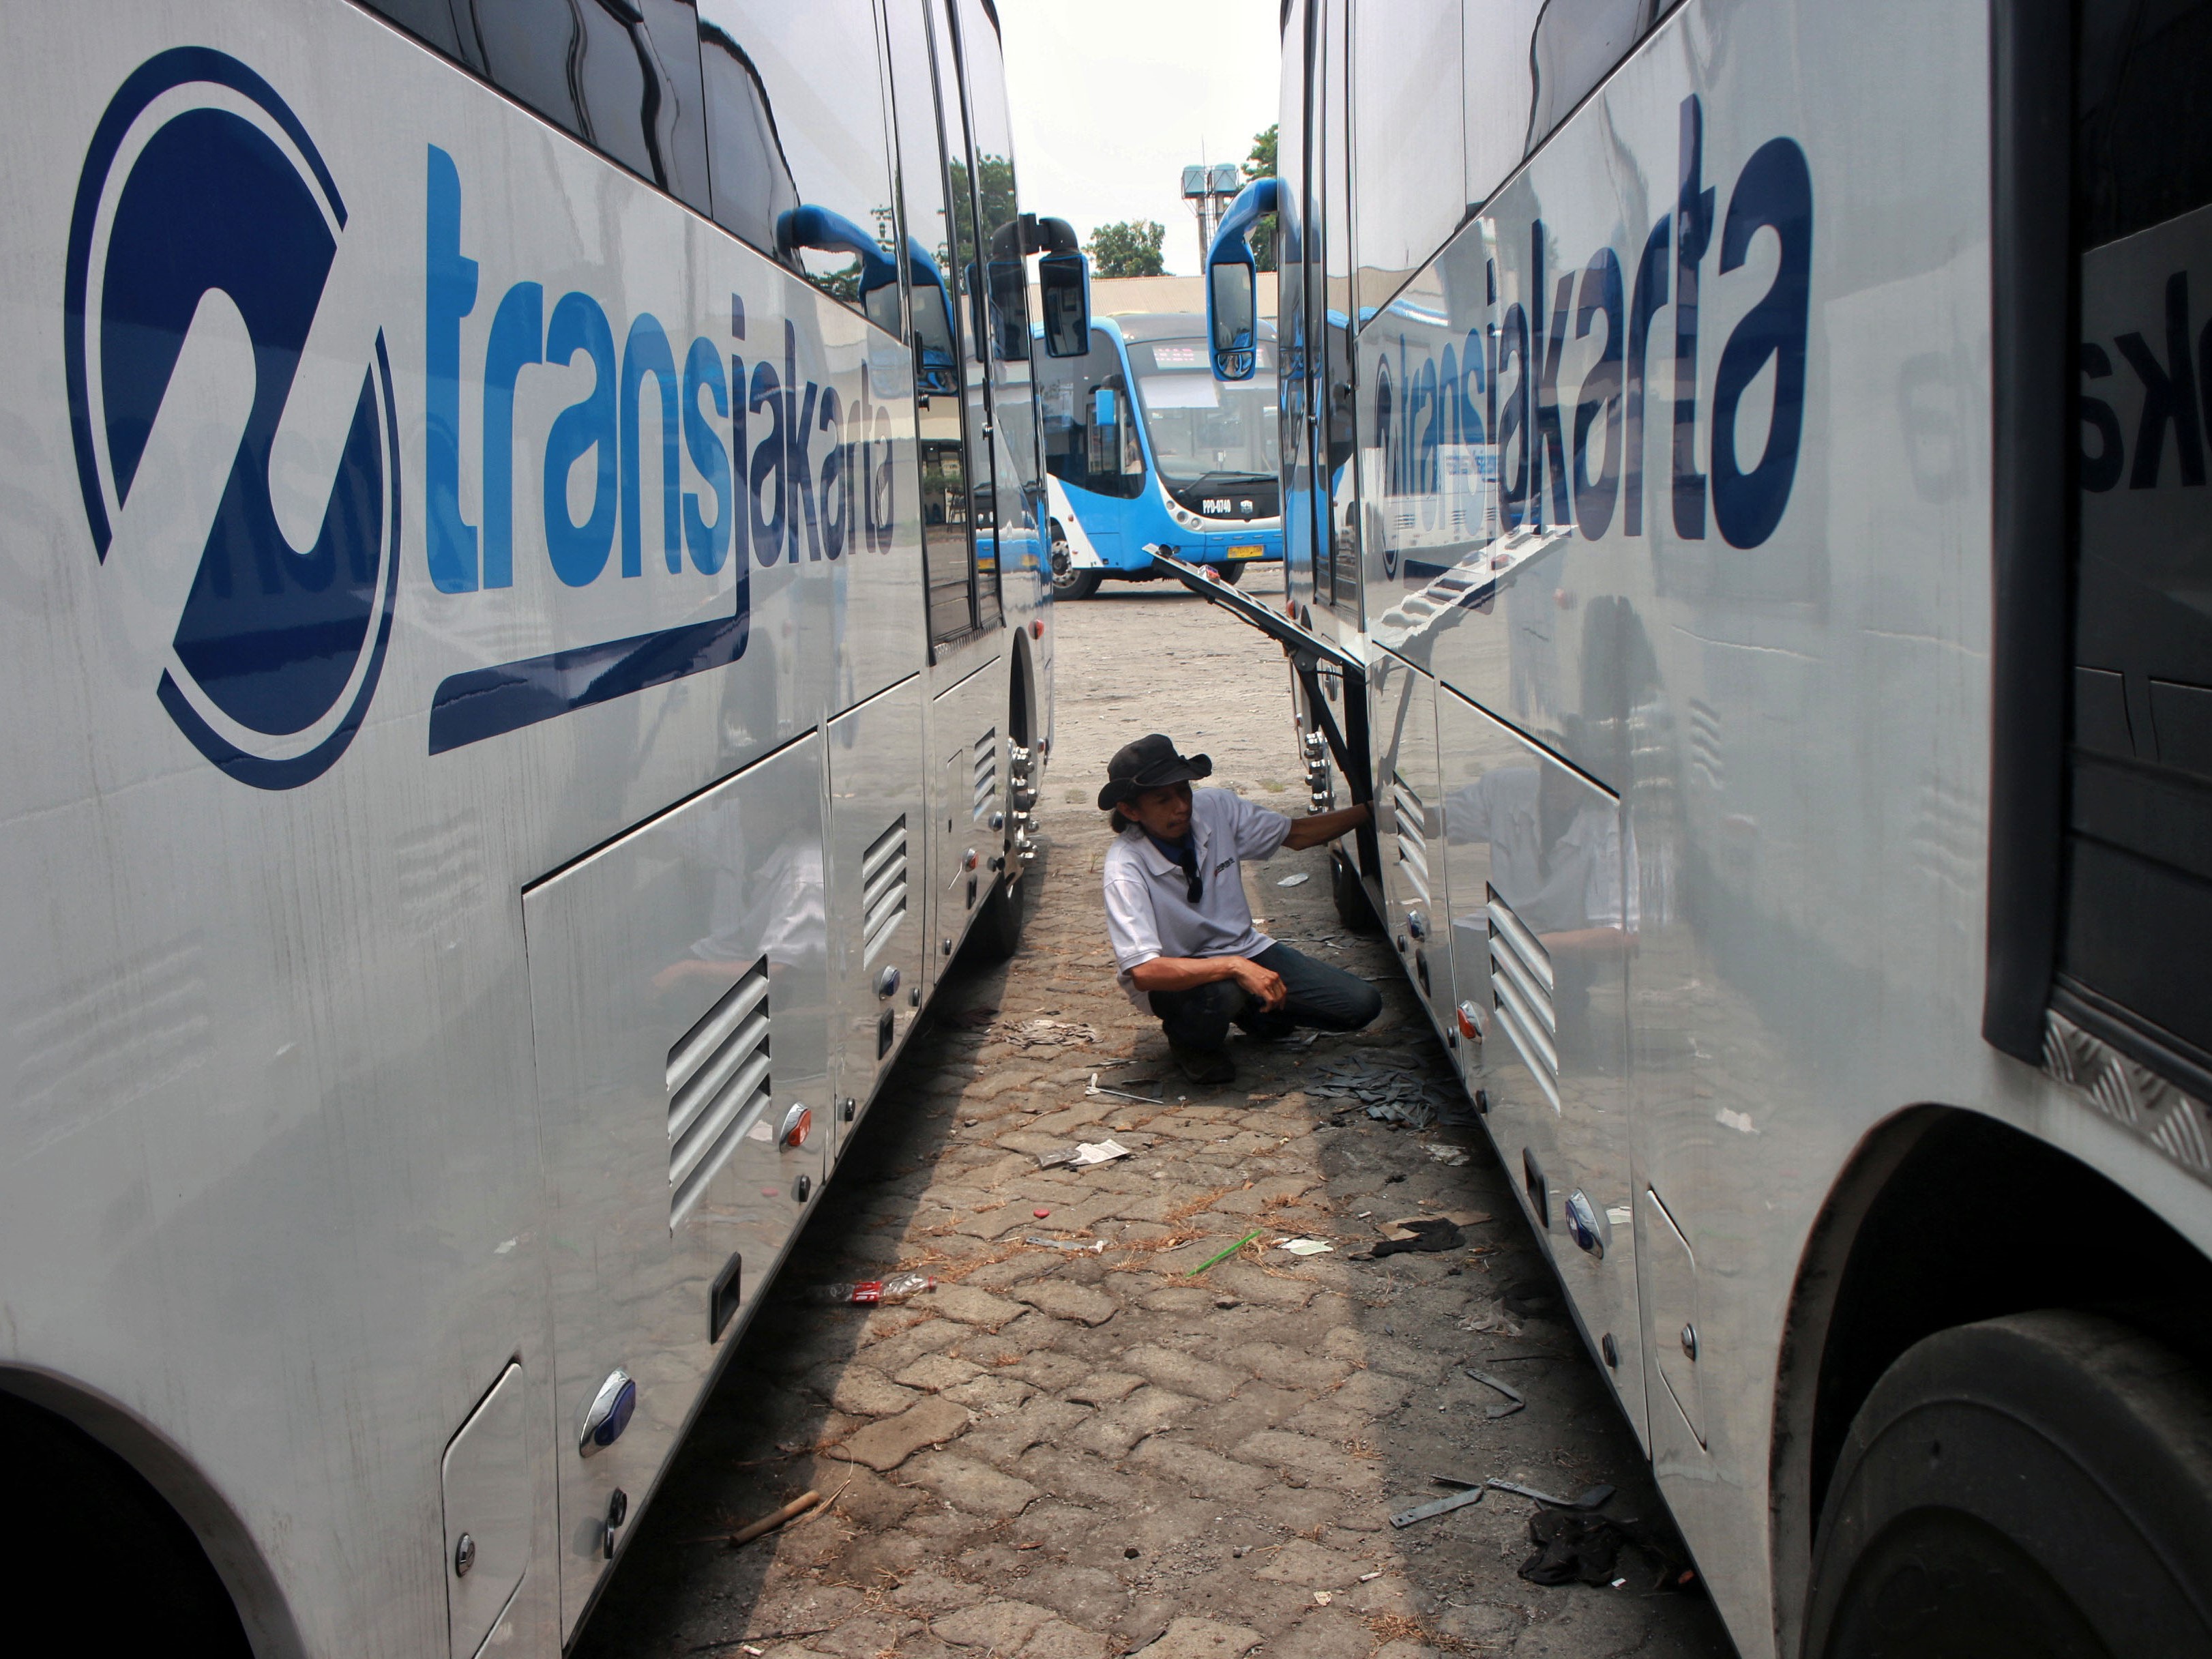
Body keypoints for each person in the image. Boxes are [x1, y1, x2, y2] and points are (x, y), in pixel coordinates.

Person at [1098, 733, 1381, 1084]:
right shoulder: (1124, 867)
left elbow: (1297, 835)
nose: (1182, 806)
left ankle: (1254, 1012)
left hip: (1245, 949)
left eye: (1184, 791)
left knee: (1361, 1004)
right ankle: (1193, 1043)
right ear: (1131, 810)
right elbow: (1144, 971)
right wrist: (1234, 966)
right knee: (1223, 991)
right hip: (1178, 976)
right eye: (1163, 800)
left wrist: (1372, 810)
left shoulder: (1217, 807)